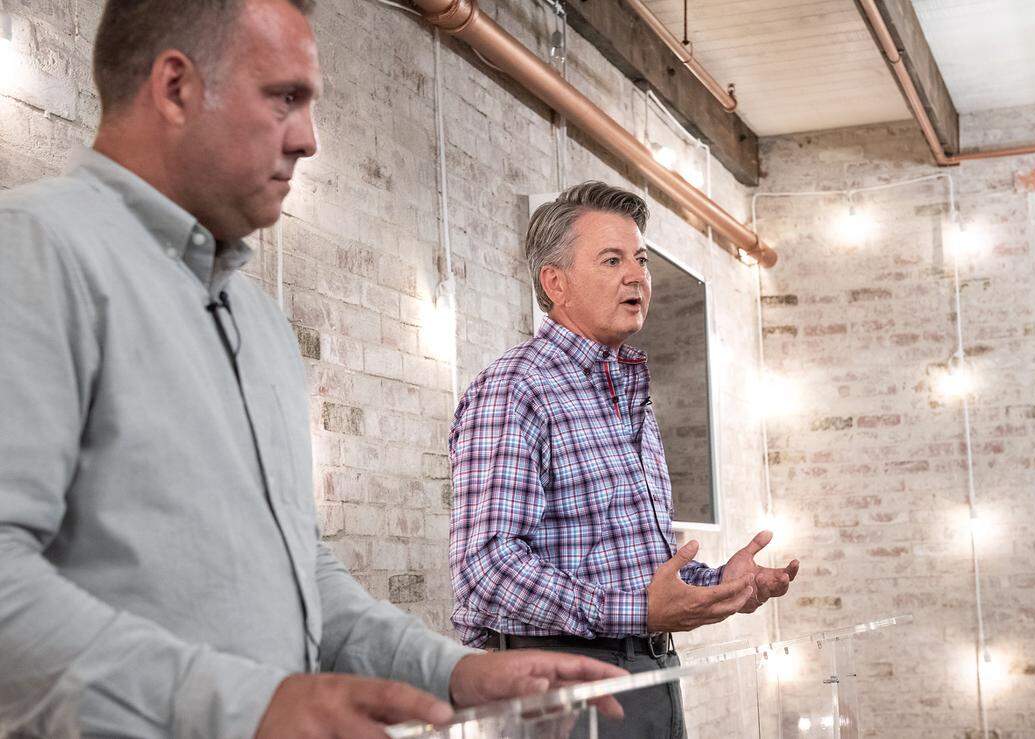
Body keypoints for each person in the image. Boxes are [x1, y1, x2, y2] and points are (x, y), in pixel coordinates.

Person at [0, 2, 624, 737]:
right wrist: (247, 705)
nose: (308, 139)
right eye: (284, 98)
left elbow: (303, 574)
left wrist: (449, 669)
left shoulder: (258, 321)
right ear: (175, 88)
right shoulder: (34, 253)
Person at [449, 181, 801, 737]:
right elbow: (487, 570)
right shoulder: (516, 388)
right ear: (555, 283)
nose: (637, 275)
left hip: (652, 673)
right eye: (612, 260)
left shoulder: (626, 392)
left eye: (640, 259)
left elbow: (627, 570)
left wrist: (718, 587)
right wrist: (638, 613)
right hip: (563, 687)